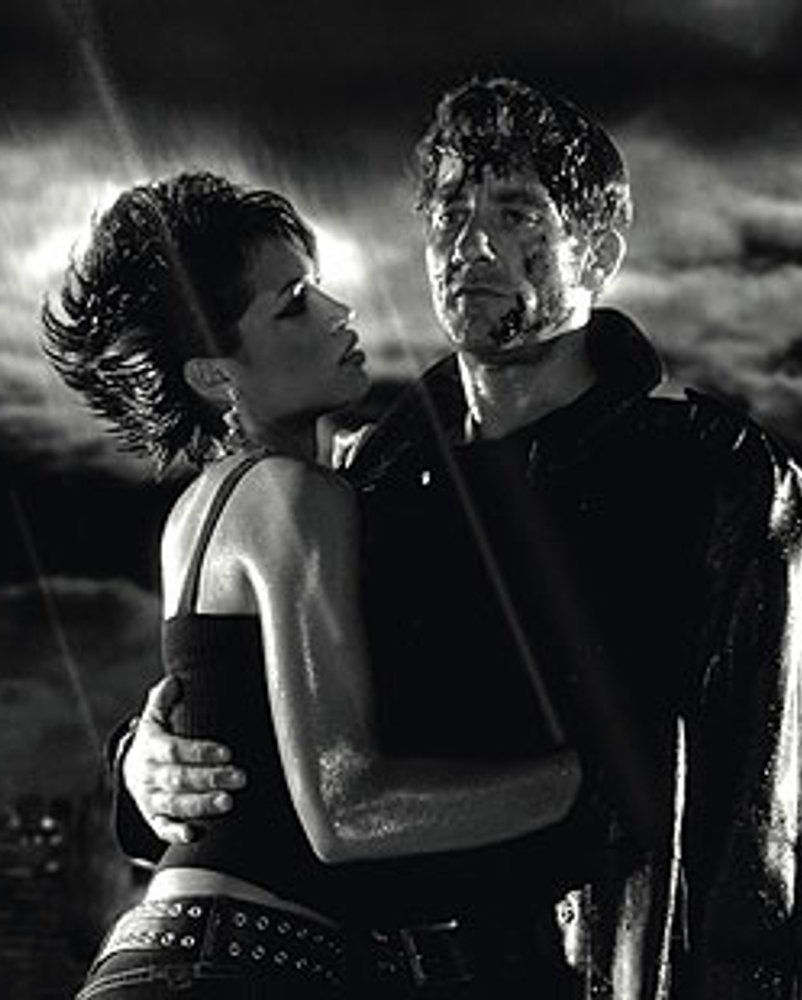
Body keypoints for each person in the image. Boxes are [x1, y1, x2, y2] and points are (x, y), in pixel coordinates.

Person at [117, 78, 802, 999]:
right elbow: (271, 721)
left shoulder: (711, 471)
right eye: (449, 214)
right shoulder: (369, 478)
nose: (472, 245)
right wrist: (140, 764)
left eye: (516, 212)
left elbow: (764, 809)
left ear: (597, 252)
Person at [41, 169, 583, 999]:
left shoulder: (205, 508)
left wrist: (135, 758)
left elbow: (226, 713)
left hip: (172, 954)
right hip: (241, 967)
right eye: (293, 305)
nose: (339, 312)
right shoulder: (295, 498)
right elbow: (345, 808)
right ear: (215, 375)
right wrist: (587, 784)